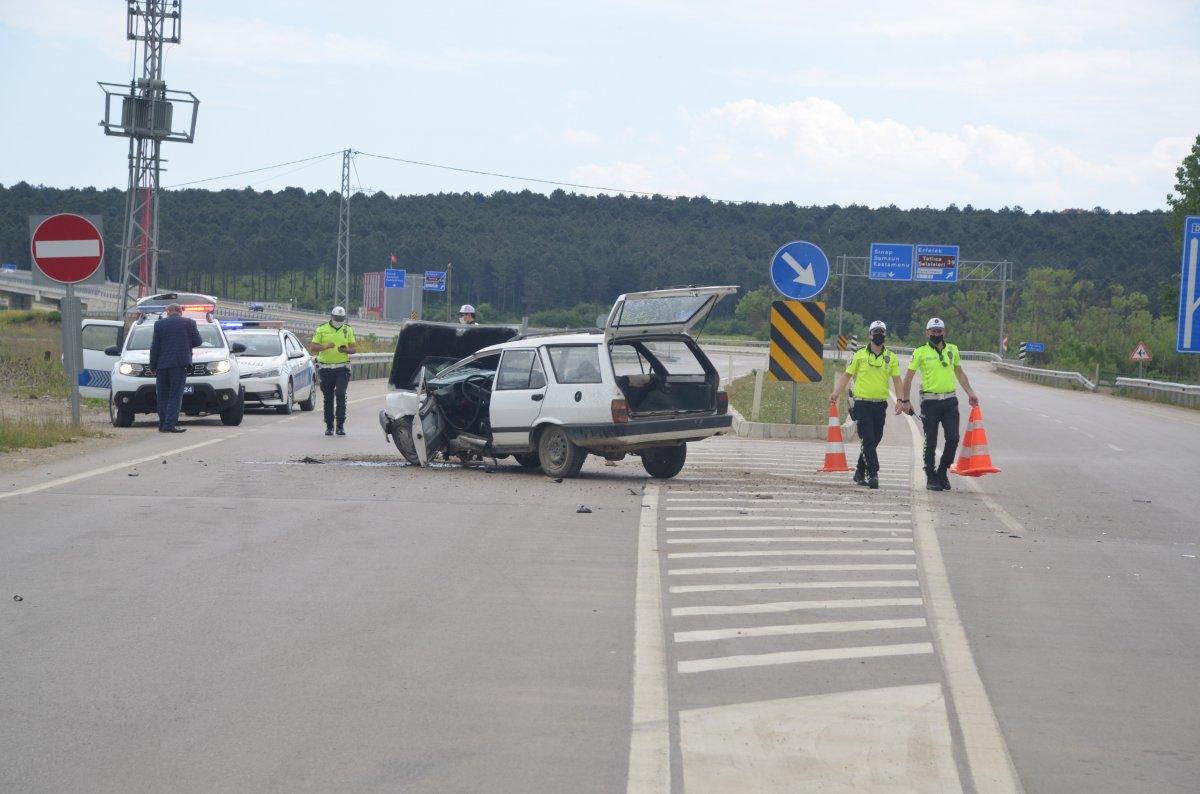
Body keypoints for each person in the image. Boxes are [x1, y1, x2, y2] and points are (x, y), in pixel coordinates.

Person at [899, 317, 980, 492]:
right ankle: (930, 475)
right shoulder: (920, 352)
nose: (936, 334)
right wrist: (905, 401)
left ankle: (942, 470)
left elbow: (959, 373)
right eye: (933, 331)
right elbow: (908, 378)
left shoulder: (953, 350)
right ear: (927, 333)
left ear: (944, 332)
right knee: (931, 440)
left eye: (939, 331)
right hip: (930, 402)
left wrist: (970, 392)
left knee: (953, 438)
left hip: (950, 401)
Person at [828, 320, 902, 489]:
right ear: (870, 335)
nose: (878, 335)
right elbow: (847, 375)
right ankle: (873, 473)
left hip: (880, 404)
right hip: (862, 404)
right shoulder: (859, 355)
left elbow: (897, 380)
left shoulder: (891, 357)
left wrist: (900, 399)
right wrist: (836, 393)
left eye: (881, 332)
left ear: (885, 335)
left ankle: (859, 472)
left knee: (875, 439)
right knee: (867, 439)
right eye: (875, 332)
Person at [149, 303, 202, 433]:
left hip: (162, 366)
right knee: (175, 395)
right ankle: (170, 425)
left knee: (162, 396)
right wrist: (185, 342)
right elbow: (198, 341)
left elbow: (155, 347)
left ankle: (163, 425)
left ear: (168, 311)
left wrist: (152, 365)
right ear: (180, 311)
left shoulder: (159, 324)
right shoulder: (189, 323)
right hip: (180, 364)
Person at [310, 305, 357, 436]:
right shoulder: (322, 329)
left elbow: (354, 348)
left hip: (342, 368)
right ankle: (329, 426)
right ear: (332, 317)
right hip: (325, 368)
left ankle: (340, 425)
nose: (339, 321)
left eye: (341, 319)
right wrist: (325, 346)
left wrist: (346, 350)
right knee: (328, 397)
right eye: (337, 318)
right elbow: (313, 347)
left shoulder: (347, 329)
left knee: (341, 394)